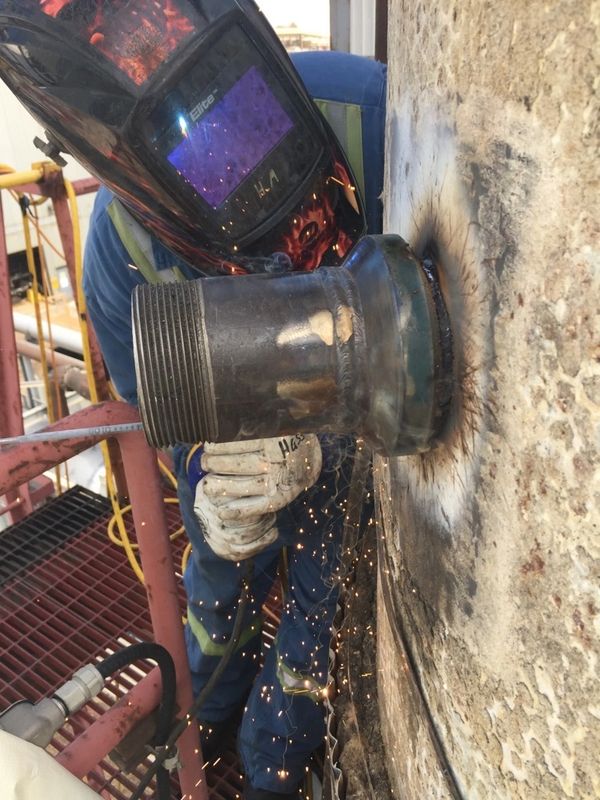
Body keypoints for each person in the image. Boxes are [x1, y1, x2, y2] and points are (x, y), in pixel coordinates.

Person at [0, 4, 386, 797]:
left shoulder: (371, 120)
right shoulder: (123, 261)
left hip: (362, 431)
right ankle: (198, 725)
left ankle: (273, 762)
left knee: (319, 604)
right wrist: (212, 484)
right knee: (219, 586)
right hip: (233, 443)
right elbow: (167, 424)